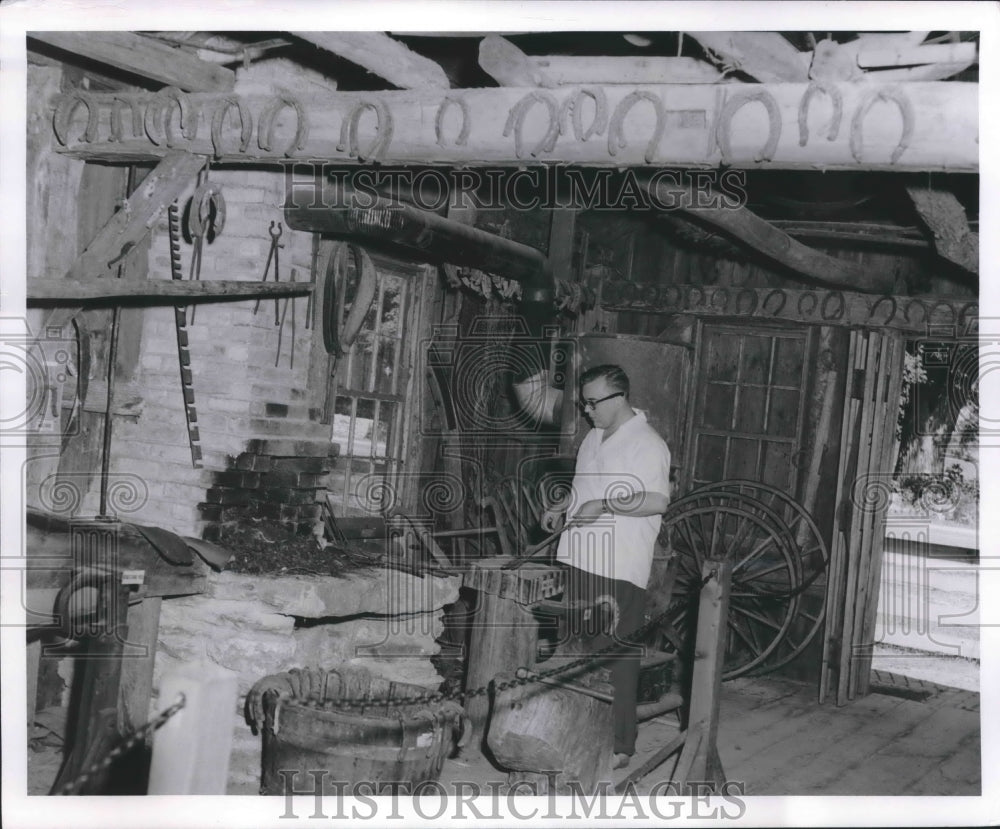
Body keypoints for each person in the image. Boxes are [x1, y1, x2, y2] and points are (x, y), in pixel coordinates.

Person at [540, 363, 671, 771]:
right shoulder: (594, 437)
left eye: (593, 402)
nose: (586, 410)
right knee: (576, 648)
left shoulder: (648, 444)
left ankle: (619, 745)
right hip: (579, 555)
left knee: (615, 654)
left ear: (620, 398)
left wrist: (608, 505)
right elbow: (586, 487)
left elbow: (656, 501)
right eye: (584, 402)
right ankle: (577, 730)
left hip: (618, 562)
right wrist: (562, 505)